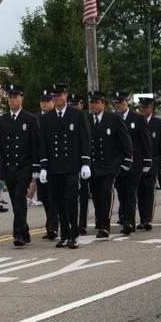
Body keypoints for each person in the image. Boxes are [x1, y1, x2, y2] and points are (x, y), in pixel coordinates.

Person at [38, 83, 91, 249]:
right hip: (54, 167)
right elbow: (44, 144)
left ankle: (73, 234)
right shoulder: (47, 118)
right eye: (54, 96)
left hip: (72, 166)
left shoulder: (77, 114)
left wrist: (85, 163)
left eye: (59, 95)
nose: (57, 98)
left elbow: (85, 139)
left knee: (71, 201)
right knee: (58, 202)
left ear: (66, 95)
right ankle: (65, 233)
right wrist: (44, 166)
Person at [0, 84, 41, 247]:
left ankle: (18, 233)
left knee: (19, 198)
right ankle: (24, 231)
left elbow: (36, 144)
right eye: (10, 97)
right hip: (8, 167)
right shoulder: (2, 120)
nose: (12, 100)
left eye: (15, 96)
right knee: (15, 200)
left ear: (21, 98)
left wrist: (37, 167)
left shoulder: (30, 119)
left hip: (24, 166)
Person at [87, 91, 133, 239]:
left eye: (97, 102)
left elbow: (125, 140)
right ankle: (100, 221)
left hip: (110, 164)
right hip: (93, 165)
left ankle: (105, 226)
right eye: (92, 102)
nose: (94, 105)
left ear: (103, 104)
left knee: (106, 191)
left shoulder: (114, 118)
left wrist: (127, 159)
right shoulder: (87, 119)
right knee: (96, 195)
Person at [112, 92, 152, 235]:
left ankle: (129, 222)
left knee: (130, 192)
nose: (118, 105)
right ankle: (125, 217)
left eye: (121, 102)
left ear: (127, 102)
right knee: (121, 192)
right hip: (118, 163)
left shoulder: (138, 118)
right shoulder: (112, 118)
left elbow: (145, 140)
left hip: (135, 162)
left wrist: (147, 159)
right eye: (116, 103)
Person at [137, 97, 161, 231]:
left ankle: (147, 219)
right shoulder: (137, 121)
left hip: (153, 162)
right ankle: (142, 218)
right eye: (142, 108)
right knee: (139, 192)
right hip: (139, 162)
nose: (143, 110)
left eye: (146, 107)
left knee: (149, 191)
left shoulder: (159, 123)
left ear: (151, 108)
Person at [37, 89, 58, 240]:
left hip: (56, 163)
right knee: (44, 195)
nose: (45, 103)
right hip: (39, 163)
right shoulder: (35, 119)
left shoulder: (57, 118)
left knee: (55, 195)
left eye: (48, 101)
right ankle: (51, 223)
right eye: (43, 101)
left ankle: (53, 225)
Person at [69, 93, 91, 234]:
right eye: (71, 104)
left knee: (83, 194)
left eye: (76, 104)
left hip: (84, 161)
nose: (74, 107)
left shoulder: (85, 117)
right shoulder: (68, 117)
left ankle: (82, 223)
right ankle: (72, 223)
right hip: (70, 161)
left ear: (81, 105)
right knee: (70, 196)